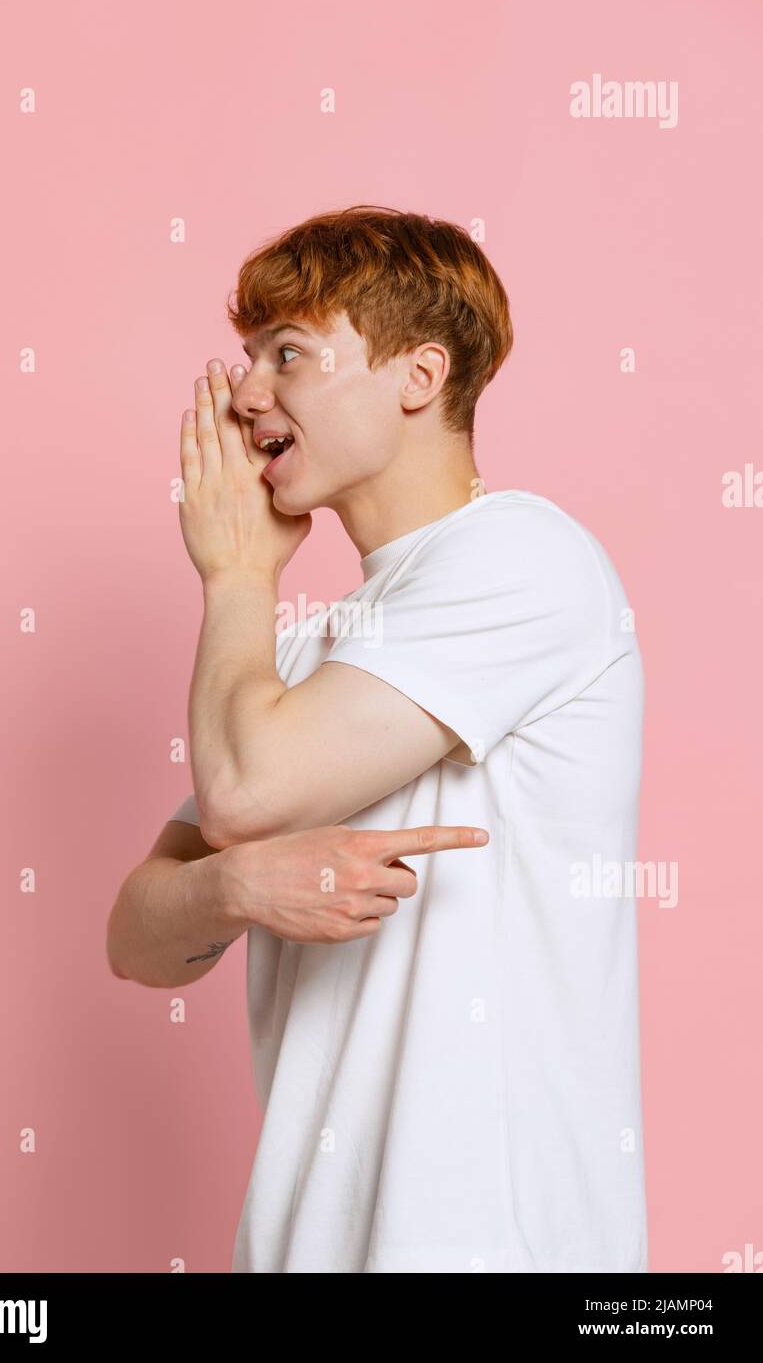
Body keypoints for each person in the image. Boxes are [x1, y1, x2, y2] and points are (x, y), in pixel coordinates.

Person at [107, 205, 648, 1273]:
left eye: (291, 354)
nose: (248, 391)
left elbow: (246, 792)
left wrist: (238, 575)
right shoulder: (304, 660)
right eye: (250, 354)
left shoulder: (524, 556)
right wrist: (235, 887)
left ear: (418, 375)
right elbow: (134, 936)